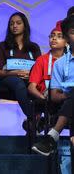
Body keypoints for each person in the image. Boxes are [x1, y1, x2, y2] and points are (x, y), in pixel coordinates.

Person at [32, 15, 74, 156]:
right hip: (67, 106)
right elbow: (54, 96)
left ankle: (51, 138)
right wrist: (70, 94)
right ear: (67, 39)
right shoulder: (60, 64)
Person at [0, 12, 41, 129]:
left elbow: (40, 68)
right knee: (18, 83)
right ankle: (33, 117)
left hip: (29, 79)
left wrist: (31, 75)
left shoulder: (34, 47)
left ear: (25, 26)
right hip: (9, 79)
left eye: (18, 23)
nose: (14, 26)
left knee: (36, 86)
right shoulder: (3, 45)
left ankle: (35, 123)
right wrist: (14, 72)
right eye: (11, 24)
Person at [27, 23, 67, 130]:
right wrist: (43, 98)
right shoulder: (41, 60)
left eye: (59, 36)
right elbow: (31, 87)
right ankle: (43, 123)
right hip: (46, 96)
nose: (54, 38)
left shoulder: (69, 60)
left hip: (65, 96)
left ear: (66, 42)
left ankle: (43, 123)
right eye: (52, 35)